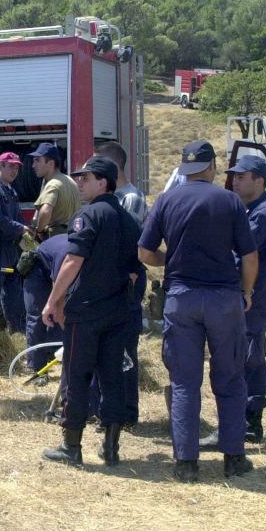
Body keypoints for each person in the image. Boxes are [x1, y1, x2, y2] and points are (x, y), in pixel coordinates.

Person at [138, 140, 258, 482]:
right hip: (223, 299)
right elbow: (250, 257)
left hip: (182, 298)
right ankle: (234, 458)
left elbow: (145, 253)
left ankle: (186, 464)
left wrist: (169, 260)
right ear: (211, 166)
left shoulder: (166, 200)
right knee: (231, 378)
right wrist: (246, 292)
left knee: (184, 382)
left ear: (184, 168)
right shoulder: (230, 201)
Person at [40, 156, 142, 467]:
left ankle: (71, 446)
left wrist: (53, 300)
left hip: (85, 312)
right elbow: (136, 270)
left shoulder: (88, 216)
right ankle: (111, 448)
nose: (80, 183)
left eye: (87, 178)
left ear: (104, 182)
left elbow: (72, 261)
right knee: (112, 378)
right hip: (118, 312)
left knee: (76, 376)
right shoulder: (128, 219)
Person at [227, 155, 266, 443]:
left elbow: (243, 255)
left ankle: (251, 420)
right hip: (253, 295)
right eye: (235, 176)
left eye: (242, 176)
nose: (235, 181)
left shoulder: (264, 213)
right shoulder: (255, 209)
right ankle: (246, 418)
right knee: (247, 354)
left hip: (255, 296)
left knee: (250, 357)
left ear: (259, 180)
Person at [93, 141, 148, 426]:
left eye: (96, 165)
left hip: (126, 282)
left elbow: (130, 248)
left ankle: (127, 411)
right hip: (111, 283)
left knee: (125, 348)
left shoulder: (132, 199)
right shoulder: (111, 199)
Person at [0, 152, 32, 333]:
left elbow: (17, 217)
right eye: (10, 166)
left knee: (14, 294)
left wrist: (26, 231)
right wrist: (19, 228)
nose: (15, 170)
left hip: (10, 250)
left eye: (17, 167)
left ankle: (17, 330)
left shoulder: (11, 190)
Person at [23, 232, 69, 374]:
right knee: (39, 317)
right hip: (39, 270)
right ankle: (38, 369)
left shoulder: (90, 254)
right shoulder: (67, 256)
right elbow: (59, 298)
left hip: (56, 268)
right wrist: (70, 335)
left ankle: (58, 356)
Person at [28, 142, 80, 238]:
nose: (33, 165)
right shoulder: (70, 181)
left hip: (55, 238)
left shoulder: (52, 184)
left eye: (37, 160)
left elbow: (46, 211)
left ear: (51, 163)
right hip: (72, 236)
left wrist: (39, 231)